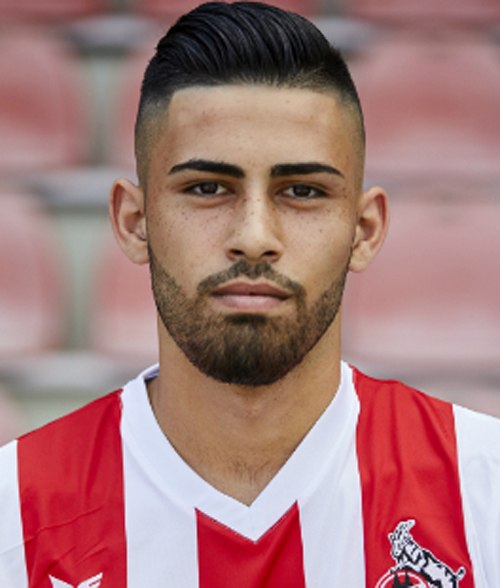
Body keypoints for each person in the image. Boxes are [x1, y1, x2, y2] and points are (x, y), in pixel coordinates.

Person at [1, 2, 499, 587]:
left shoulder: (484, 491)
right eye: (207, 188)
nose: (255, 237)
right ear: (134, 222)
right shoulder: (13, 514)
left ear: (364, 231)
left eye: (303, 191)